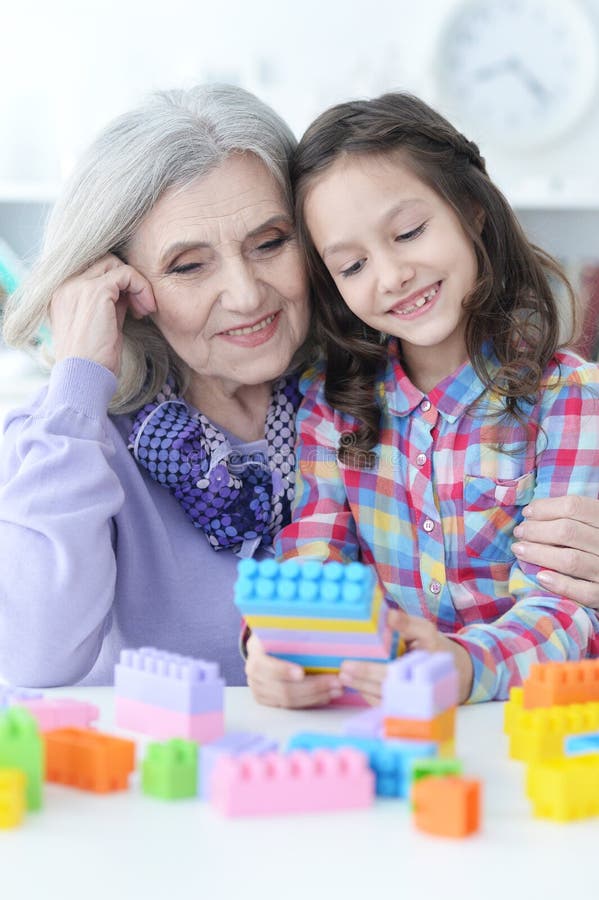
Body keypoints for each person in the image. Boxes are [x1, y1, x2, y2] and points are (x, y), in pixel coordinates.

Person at [247, 92, 599, 706]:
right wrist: (280, 648)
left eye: (409, 232)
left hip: (521, 722)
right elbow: (314, 564)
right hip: (383, 720)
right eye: (352, 266)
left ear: (471, 208)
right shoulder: (331, 407)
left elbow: (565, 607)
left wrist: (463, 665)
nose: (391, 276)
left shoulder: (567, 400)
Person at [0, 84, 315, 689]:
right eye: (189, 266)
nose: (246, 294)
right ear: (124, 286)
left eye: (270, 243)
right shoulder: (72, 436)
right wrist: (79, 376)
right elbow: (34, 659)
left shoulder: (373, 401)